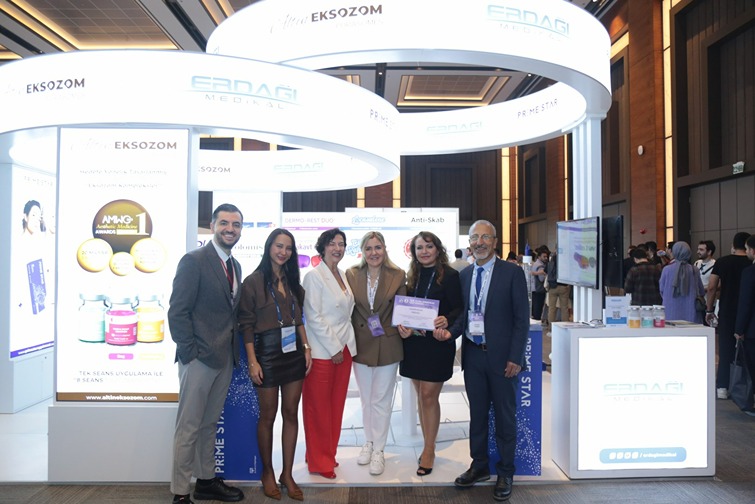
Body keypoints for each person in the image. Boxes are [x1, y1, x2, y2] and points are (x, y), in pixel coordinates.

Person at [444, 220, 528, 502]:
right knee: (477, 415)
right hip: (473, 356)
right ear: (469, 243)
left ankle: (506, 471)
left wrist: (516, 357)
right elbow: (463, 316)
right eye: (474, 237)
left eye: (485, 237)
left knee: (505, 417)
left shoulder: (512, 273)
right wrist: (449, 332)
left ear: (494, 241)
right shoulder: (465, 275)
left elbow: (521, 319)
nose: (479, 242)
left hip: (503, 359)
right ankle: (479, 466)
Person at [168, 204, 245, 504]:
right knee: (188, 428)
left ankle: (206, 481)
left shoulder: (235, 266)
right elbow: (178, 311)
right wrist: (190, 353)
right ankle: (180, 492)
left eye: (236, 224)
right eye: (224, 223)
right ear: (213, 226)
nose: (230, 229)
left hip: (224, 359)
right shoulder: (194, 261)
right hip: (198, 359)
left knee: (209, 424)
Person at [238, 228, 312, 501]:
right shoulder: (253, 281)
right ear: (269, 247)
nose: (283, 252)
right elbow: (246, 325)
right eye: (279, 246)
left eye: (288, 248)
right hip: (266, 353)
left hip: (293, 354)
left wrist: (306, 348)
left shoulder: (293, 280)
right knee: (268, 416)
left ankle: (287, 474)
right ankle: (267, 472)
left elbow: (299, 318)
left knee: (291, 413)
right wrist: (253, 361)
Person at [397, 231, 463, 477]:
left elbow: (460, 308)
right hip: (414, 344)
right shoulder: (412, 276)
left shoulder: (451, 276)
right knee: (420, 394)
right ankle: (428, 442)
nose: (424, 251)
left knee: (428, 395)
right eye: (419, 248)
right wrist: (402, 326)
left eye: (428, 246)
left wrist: (447, 319)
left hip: (437, 343)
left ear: (437, 249)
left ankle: (429, 449)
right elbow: (406, 310)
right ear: (413, 252)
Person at [345, 232, 407, 476]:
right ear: (362, 251)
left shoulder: (398, 274)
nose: (374, 253)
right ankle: (368, 442)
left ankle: (379, 449)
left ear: (385, 249)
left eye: (378, 247)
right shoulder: (351, 274)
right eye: (369, 248)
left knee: (381, 399)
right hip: (361, 344)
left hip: (388, 343)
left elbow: (402, 309)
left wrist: (406, 325)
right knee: (366, 398)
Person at [301, 228, 356, 480]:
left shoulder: (342, 274)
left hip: (344, 349)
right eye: (332, 243)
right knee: (318, 410)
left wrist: (342, 348)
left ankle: (326, 453)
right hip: (324, 352)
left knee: (335, 407)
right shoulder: (314, 276)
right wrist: (334, 348)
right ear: (322, 247)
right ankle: (319, 461)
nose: (337, 248)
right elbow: (313, 316)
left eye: (341, 244)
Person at [707, 232, 752, 400]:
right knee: (748, 351)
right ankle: (746, 386)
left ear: (733, 245)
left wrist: (709, 309)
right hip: (749, 313)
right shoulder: (751, 263)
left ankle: (723, 386)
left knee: (725, 349)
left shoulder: (723, 261)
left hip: (727, 310)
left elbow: (712, 286)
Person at [734, 235, 755, 414]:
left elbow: (745, 303)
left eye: (747, 249)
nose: (746, 252)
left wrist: (739, 328)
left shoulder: (750, 272)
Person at [659, 241, 705, 323]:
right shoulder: (694, 270)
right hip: (691, 312)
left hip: (670, 311)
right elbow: (701, 291)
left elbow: (661, 289)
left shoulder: (666, 270)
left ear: (674, 252)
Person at [545, 248, 571, 333]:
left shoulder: (550, 262)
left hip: (552, 287)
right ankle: (565, 328)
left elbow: (546, 271)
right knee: (564, 308)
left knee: (552, 308)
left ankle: (551, 328)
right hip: (563, 286)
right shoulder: (565, 262)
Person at [694, 240, 717, 313]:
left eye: (701, 250)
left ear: (709, 252)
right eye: (698, 249)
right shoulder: (697, 263)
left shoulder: (715, 265)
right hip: (697, 302)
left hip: (709, 302)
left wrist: (703, 288)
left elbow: (719, 284)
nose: (698, 252)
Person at [530, 246, 549, 320]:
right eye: (544, 256)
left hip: (534, 288)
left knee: (535, 309)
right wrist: (547, 275)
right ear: (539, 256)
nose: (546, 258)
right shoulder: (541, 266)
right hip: (539, 289)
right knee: (538, 309)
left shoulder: (535, 264)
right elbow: (541, 279)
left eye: (546, 256)